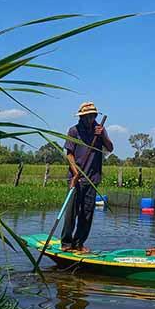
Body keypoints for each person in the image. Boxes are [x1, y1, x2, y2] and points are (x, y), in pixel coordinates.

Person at [61, 101, 113, 252]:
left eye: (91, 116)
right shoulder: (74, 131)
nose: (89, 119)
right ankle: (66, 243)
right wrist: (75, 172)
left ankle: (79, 243)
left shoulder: (100, 130)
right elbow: (69, 154)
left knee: (87, 213)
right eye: (86, 116)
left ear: (95, 116)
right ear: (81, 117)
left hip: (92, 178)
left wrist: (102, 135)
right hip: (76, 178)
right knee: (71, 213)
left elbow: (110, 148)